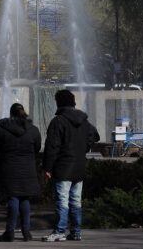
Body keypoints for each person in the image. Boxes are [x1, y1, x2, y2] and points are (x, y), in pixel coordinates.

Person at [42, 90, 100, 242]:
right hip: (79, 167)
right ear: (73, 102)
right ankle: (76, 232)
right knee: (75, 201)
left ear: (59, 102)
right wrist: (84, 148)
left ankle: (60, 231)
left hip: (62, 167)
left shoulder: (58, 121)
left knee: (62, 201)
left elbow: (52, 147)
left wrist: (47, 168)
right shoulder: (84, 120)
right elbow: (95, 135)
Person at [0, 103, 42, 242]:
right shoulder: (33, 130)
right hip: (28, 169)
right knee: (25, 199)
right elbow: (37, 147)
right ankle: (26, 232)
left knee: (13, 198)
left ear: (11, 114)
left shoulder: (2, 130)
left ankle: (10, 232)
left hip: (9, 168)